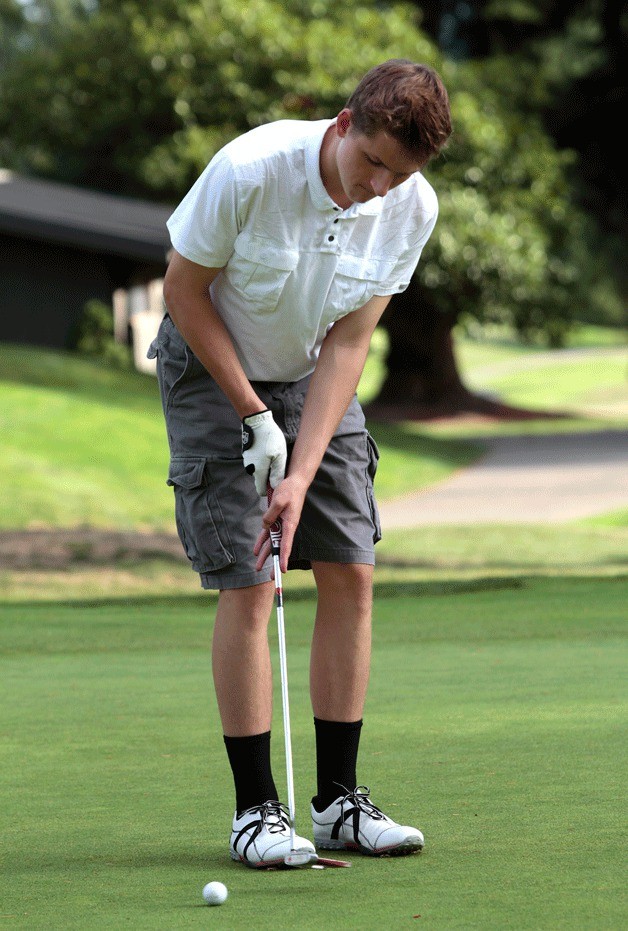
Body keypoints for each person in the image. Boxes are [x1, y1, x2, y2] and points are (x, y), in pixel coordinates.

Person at [148, 58, 452, 868]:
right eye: (373, 163)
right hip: (211, 363)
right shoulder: (252, 169)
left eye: (401, 175)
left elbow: (352, 339)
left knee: (350, 566)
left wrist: (300, 470)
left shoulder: (410, 206)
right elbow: (183, 290)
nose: (379, 188)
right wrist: (251, 414)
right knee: (253, 576)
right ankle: (257, 812)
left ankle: (340, 803)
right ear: (345, 125)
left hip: (313, 371)